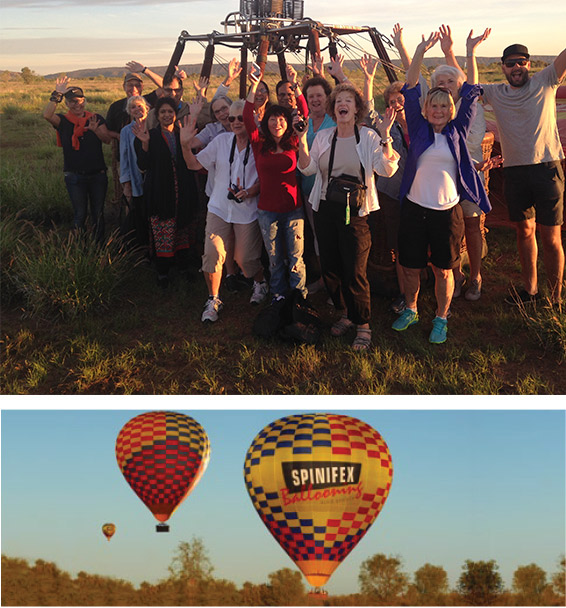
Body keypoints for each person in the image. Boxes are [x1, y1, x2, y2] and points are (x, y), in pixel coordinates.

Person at [392, 30, 490, 344]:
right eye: (432, 105)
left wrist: (470, 51)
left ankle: (441, 317)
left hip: (447, 212)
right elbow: (409, 85)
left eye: (443, 106)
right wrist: (419, 50)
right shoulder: (418, 128)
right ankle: (411, 308)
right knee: (409, 265)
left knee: (444, 270)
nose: (438, 110)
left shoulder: (459, 129)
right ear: (425, 109)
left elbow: (472, 89)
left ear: (451, 109)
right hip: (414, 208)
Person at [297, 82, 399, 351]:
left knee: (355, 269)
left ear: (356, 109)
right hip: (325, 207)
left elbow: (386, 169)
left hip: (355, 212)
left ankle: (363, 324)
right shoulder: (323, 137)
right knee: (331, 267)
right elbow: (307, 169)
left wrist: (386, 136)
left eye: (348, 101)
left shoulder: (368, 137)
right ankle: (345, 313)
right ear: (334, 108)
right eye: (338, 100)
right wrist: (300, 140)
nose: (343, 104)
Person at [481, 42, 566, 305]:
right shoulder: (495, 93)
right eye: (510, 63)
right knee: (524, 232)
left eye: (522, 62)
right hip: (515, 172)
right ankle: (530, 291)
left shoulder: (546, 80)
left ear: (529, 64)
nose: (517, 67)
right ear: (503, 68)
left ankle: (554, 299)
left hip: (547, 168)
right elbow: (464, 84)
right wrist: (462, 52)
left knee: (551, 237)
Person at [180, 100, 268, 322]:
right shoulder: (220, 141)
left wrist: (250, 192)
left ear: (251, 118)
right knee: (213, 254)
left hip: (246, 210)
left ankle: (259, 281)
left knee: (246, 259)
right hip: (219, 207)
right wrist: (184, 145)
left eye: (241, 118)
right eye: (232, 119)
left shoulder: (260, 146)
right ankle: (213, 298)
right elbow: (193, 165)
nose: (236, 122)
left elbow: (265, 179)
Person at [245, 67, 308, 302]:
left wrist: (296, 87)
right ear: (267, 122)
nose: (277, 122)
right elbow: (246, 116)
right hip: (268, 211)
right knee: (274, 258)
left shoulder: (294, 141)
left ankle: (299, 296)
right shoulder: (259, 143)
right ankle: (279, 295)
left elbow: (305, 112)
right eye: (273, 118)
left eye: (282, 118)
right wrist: (255, 86)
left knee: (295, 258)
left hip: (294, 209)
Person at [361, 53, 409, 314]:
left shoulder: (422, 124)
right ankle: (404, 294)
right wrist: (368, 79)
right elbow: (368, 112)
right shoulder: (384, 125)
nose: (397, 105)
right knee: (399, 245)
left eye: (401, 100)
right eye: (392, 102)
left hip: (419, 193)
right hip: (392, 194)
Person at [133, 96, 198, 288]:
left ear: (175, 114)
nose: (167, 115)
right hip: (161, 191)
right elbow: (142, 165)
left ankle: (183, 267)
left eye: (170, 111)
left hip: (183, 189)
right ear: (157, 115)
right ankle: (162, 272)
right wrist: (144, 144)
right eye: (163, 112)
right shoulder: (149, 135)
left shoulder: (181, 134)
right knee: (163, 229)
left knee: (183, 228)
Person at [43, 77, 111, 243]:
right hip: (74, 176)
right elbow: (47, 115)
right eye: (72, 102)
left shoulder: (96, 118)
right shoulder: (63, 121)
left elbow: (107, 139)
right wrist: (56, 94)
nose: (76, 105)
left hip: (97, 175)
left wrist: (96, 131)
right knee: (80, 213)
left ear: (84, 101)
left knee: (98, 213)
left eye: (79, 101)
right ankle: (80, 248)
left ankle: (99, 247)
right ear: (66, 104)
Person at [300, 75, 336, 294]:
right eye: (310, 96)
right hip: (308, 188)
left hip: (332, 191)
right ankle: (325, 278)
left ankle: (336, 282)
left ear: (327, 97)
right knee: (318, 235)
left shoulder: (335, 119)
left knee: (334, 236)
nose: (315, 100)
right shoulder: (302, 122)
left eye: (319, 96)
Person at [119, 95, 151, 251]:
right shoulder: (126, 131)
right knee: (140, 213)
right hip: (137, 178)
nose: (137, 110)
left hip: (154, 177)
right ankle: (142, 248)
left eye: (140, 106)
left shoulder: (154, 125)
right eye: (133, 107)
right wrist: (126, 184)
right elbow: (124, 158)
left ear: (146, 108)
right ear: (129, 112)